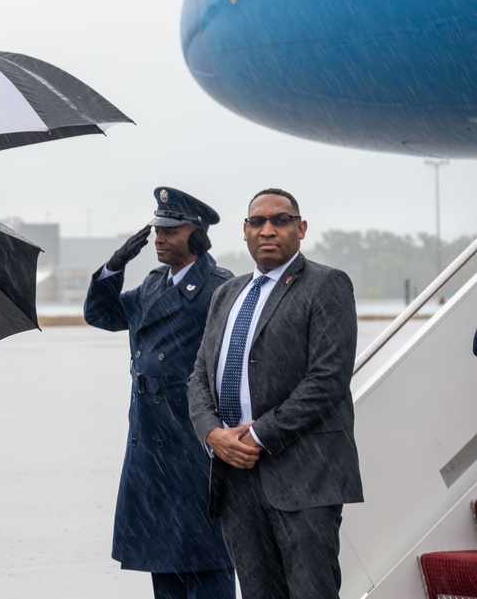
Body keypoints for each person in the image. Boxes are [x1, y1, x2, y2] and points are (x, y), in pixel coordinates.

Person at [186, 188, 363, 599]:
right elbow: (198, 376)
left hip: (304, 476)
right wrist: (213, 435)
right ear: (244, 232)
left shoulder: (326, 284)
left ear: (300, 229)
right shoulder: (226, 294)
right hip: (235, 477)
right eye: (257, 222)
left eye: (280, 220)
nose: (268, 230)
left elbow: (328, 379)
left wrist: (257, 436)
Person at [84, 187, 236, 599]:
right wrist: (113, 268)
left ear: (199, 235)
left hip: (196, 452)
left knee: (209, 571)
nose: (159, 238)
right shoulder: (151, 287)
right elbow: (100, 315)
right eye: (156, 229)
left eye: (171, 229)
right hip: (153, 457)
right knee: (165, 574)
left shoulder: (220, 289)